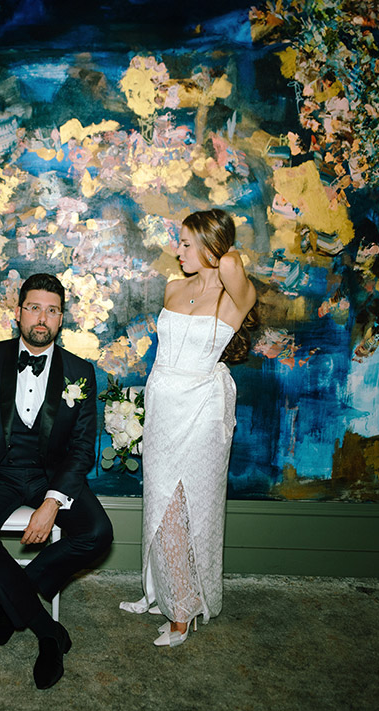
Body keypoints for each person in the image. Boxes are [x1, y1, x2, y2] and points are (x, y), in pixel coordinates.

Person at [0, 273, 113, 689]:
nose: (42, 318)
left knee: (98, 532)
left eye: (52, 310)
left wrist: (52, 502)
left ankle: (15, 598)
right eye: (34, 307)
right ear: (18, 313)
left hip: (52, 475)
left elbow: (84, 447)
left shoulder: (80, 371)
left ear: (62, 318)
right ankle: (48, 632)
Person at [120, 208, 258, 646]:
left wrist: (216, 241)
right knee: (159, 499)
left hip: (201, 411)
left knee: (186, 503)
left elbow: (232, 263)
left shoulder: (235, 297)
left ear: (211, 247)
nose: (177, 251)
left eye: (186, 243)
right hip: (163, 407)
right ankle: (163, 592)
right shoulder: (173, 288)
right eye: (178, 242)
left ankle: (182, 613)